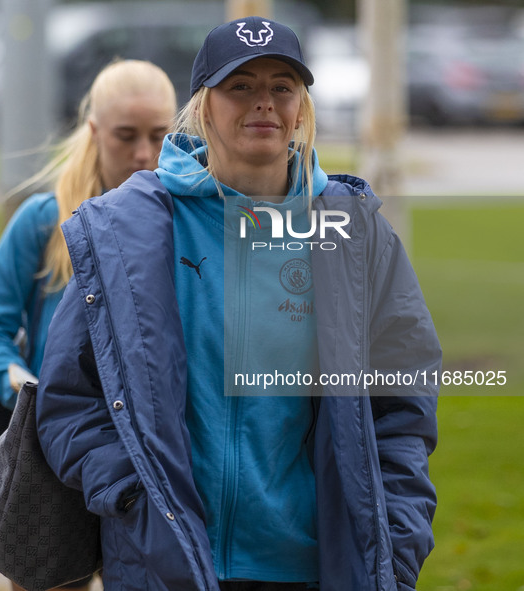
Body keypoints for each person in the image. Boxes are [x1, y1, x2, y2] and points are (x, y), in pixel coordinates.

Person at [36, 16, 442, 591]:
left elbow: (402, 410)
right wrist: (132, 496)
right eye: (241, 86)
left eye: (282, 86)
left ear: (301, 106)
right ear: (204, 105)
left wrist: (396, 546)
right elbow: (70, 399)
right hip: (165, 561)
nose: (264, 104)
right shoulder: (126, 230)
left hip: (312, 568)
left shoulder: (355, 235)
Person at [0, 59, 177, 591]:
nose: (144, 154)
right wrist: (20, 386)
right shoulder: (44, 220)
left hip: (153, 455)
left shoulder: (186, 222)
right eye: (126, 136)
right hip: (56, 454)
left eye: (160, 135)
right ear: (93, 132)